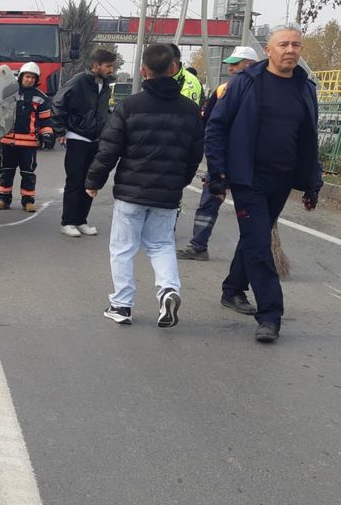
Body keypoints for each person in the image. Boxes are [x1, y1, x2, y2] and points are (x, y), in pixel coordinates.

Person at [204, 25, 323, 343]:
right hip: (247, 178)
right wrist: (217, 173)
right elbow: (216, 127)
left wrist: (313, 182)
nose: (290, 50)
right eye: (283, 44)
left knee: (253, 238)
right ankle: (270, 315)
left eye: (296, 45)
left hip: (282, 180)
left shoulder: (305, 88)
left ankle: (232, 290)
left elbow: (309, 138)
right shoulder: (245, 83)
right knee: (259, 244)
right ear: (268, 50)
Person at [84, 43, 204, 328]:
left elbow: (109, 149)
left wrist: (94, 180)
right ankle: (167, 291)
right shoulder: (190, 111)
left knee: (123, 248)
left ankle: (121, 305)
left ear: (143, 71)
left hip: (130, 192)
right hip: (168, 194)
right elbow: (194, 154)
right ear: (175, 69)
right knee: (161, 244)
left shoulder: (130, 105)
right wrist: (180, 183)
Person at [176, 46, 258, 264]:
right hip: (225, 157)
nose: (230, 68)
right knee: (209, 203)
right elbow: (210, 123)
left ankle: (257, 254)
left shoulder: (260, 89)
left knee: (252, 212)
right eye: (230, 64)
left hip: (248, 161)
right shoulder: (224, 89)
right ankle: (198, 245)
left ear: (249, 65)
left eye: (235, 63)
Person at [52, 48, 116, 237]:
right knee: (74, 180)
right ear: (96, 65)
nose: (111, 70)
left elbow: (103, 111)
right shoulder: (79, 81)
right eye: (108, 66)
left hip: (96, 139)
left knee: (90, 181)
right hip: (78, 137)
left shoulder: (104, 85)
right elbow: (58, 103)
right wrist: (60, 130)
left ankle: (81, 220)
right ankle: (68, 222)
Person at [0, 62, 54, 212]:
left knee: (28, 173)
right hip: (7, 141)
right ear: (21, 77)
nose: (30, 80)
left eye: (33, 78)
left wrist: (47, 135)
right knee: (6, 171)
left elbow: (46, 120)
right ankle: (4, 199)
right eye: (27, 77)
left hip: (28, 144)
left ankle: (28, 201)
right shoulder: (8, 93)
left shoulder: (41, 98)